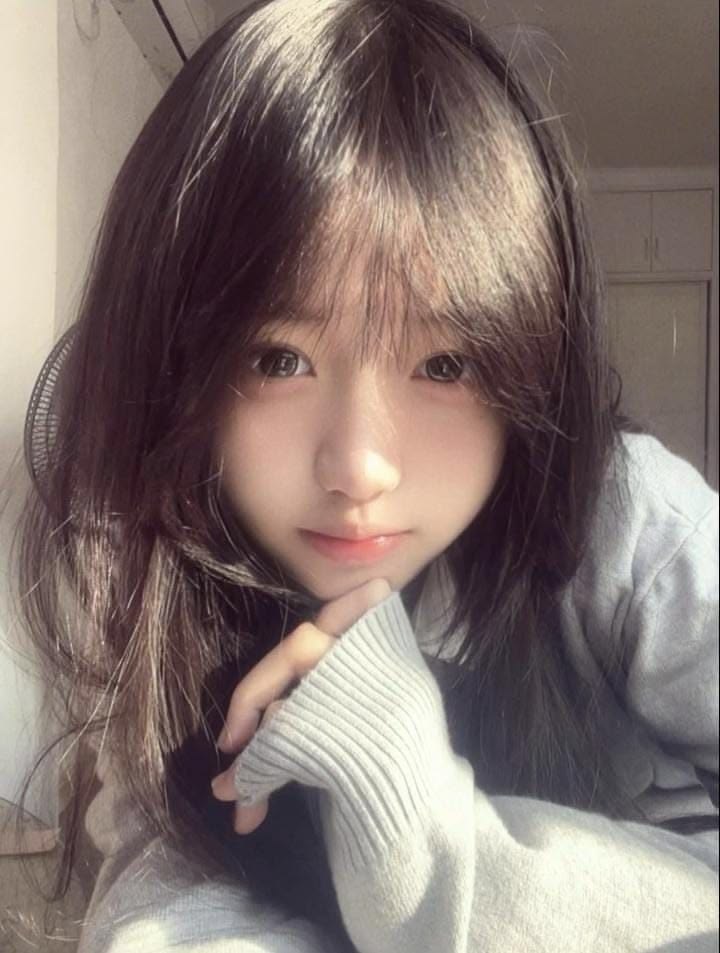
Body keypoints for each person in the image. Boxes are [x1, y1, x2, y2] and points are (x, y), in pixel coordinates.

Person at [5, 0, 717, 950]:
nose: (359, 467)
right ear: (177, 369)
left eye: (446, 364)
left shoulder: (625, 526)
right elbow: (165, 914)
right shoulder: (174, 605)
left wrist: (419, 835)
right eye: (278, 358)